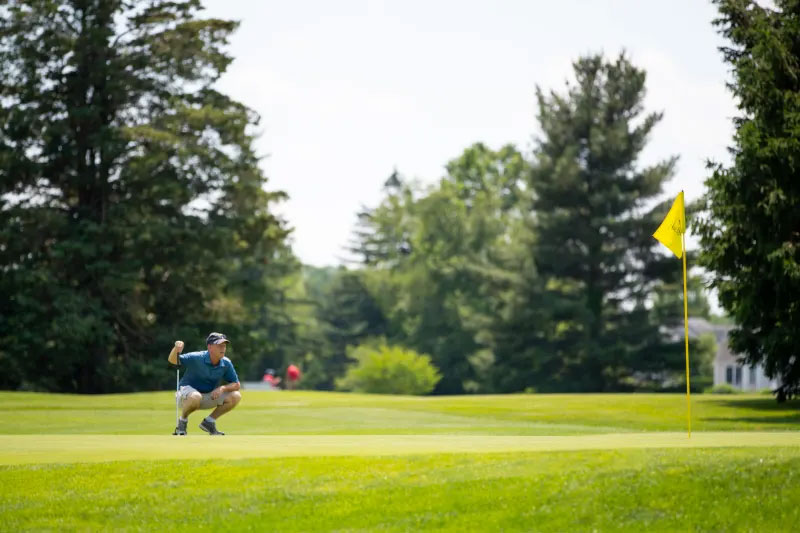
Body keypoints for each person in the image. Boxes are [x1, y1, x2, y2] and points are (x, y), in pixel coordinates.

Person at [168, 332, 241, 435]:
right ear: (210, 347)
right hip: (186, 397)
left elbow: (236, 384)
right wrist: (176, 349)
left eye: (224, 346)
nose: (223, 348)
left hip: (208, 396)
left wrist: (222, 388)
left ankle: (209, 422)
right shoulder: (197, 357)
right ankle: (182, 422)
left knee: (236, 396)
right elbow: (173, 360)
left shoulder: (226, 363)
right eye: (219, 345)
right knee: (195, 397)